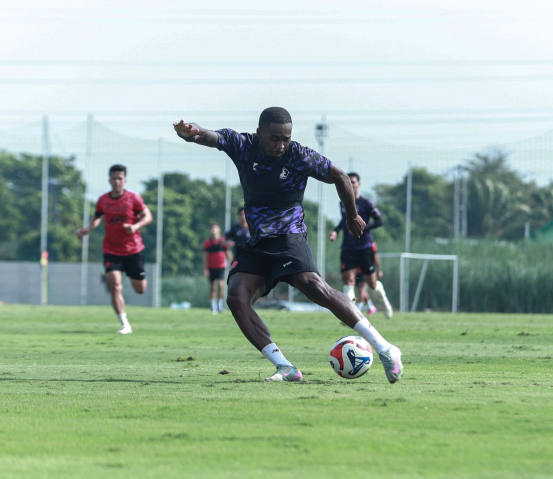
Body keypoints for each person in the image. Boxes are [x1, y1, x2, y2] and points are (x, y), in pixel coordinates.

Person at [173, 107, 403, 383]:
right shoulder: (243, 145)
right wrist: (192, 133)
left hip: (289, 236)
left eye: (286, 138)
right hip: (257, 242)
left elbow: (340, 178)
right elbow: (208, 136)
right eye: (274, 138)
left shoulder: (300, 155)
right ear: (259, 134)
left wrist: (352, 215)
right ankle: (285, 367)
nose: (281, 145)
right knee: (235, 297)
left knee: (314, 286)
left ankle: (385, 348)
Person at [77, 164, 153, 334]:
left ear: (125, 180)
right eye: (114, 178)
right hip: (111, 250)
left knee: (140, 289)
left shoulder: (134, 198)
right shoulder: (103, 200)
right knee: (116, 287)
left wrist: (135, 227)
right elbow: (97, 217)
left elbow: (148, 216)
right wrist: (87, 229)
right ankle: (125, 324)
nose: (117, 181)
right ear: (109, 180)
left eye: (120, 178)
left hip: (134, 250)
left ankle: (118, 279)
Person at [329, 172, 393, 318]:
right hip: (347, 247)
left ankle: (383, 300)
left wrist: (362, 228)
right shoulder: (343, 203)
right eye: (348, 182)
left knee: (372, 284)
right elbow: (343, 220)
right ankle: (350, 314)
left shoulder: (366, 203)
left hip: (364, 247)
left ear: (358, 184)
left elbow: (379, 221)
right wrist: (336, 231)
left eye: (353, 182)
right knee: (349, 281)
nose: (350, 184)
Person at [203, 223, 229, 313]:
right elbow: (205, 256)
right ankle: (213, 307)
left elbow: (228, 253)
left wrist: (232, 264)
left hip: (221, 266)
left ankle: (220, 306)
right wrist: (205, 269)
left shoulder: (223, 241)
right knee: (213, 287)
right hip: (211, 267)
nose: (213, 230)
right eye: (212, 228)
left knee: (221, 285)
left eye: (215, 228)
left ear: (219, 230)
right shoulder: (208, 242)